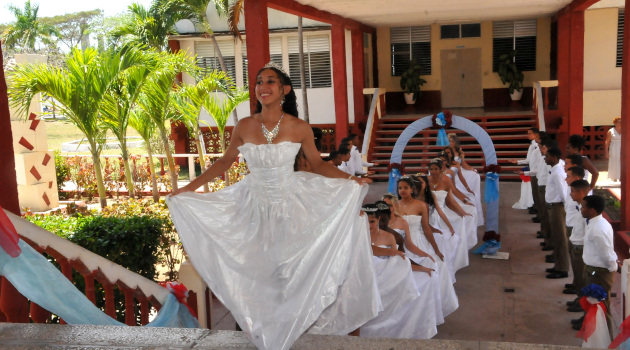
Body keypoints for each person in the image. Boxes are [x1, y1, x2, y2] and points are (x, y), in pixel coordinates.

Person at [167, 64, 377, 350]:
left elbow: (316, 164)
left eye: (270, 82)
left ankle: (285, 335)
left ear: (284, 90)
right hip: (251, 209)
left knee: (289, 276)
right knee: (256, 276)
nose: (262, 86)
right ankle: (258, 335)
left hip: (292, 207)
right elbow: (224, 162)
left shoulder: (299, 127)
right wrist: (187, 189)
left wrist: (352, 179)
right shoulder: (244, 125)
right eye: (258, 82)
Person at [360, 204, 438, 339]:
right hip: (365, 275)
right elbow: (369, 250)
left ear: (378, 219)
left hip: (385, 275)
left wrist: (421, 268)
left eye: (372, 221)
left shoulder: (389, 237)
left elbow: (401, 258)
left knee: (421, 276)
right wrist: (391, 252)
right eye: (365, 221)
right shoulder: (358, 236)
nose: (368, 225)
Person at [580, 195, 618, 339]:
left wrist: (611, 268)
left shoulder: (598, 230)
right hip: (594, 270)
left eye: (584, 207)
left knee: (601, 308)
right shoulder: (595, 222)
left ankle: (606, 341)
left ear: (592, 210)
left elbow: (606, 254)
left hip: (599, 273)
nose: (581, 209)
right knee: (593, 307)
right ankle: (595, 339)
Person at [566, 179, 590, 325]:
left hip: (582, 249)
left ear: (581, 193)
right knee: (578, 278)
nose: (570, 194)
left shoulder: (587, 210)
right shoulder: (580, 206)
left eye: (573, 191)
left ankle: (585, 312)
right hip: (576, 245)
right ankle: (580, 299)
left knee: (583, 280)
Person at [544, 147, 570, 279]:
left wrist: (565, 208)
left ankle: (563, 268)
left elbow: (563, 193)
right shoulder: (554, 170)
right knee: (556, 237)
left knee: (561, 239)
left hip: (558, 207)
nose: (545, 158)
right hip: (553, 207)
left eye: (547, 156)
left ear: (554, 158)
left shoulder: (557, 172)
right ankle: (558, 265)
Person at [510, 128, 540, 210]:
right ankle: (535, 205)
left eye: (530, 133)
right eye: (528, 133)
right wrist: (517, 162)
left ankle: (537, 206)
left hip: (536, 170)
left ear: (536, 135)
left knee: (536, 189)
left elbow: (532, 160)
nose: (528, 135)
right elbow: (529, 159)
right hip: (532, 169)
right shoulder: (532, 145)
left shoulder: (536, 146)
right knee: (533, 189)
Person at [605, 117, 621, 182]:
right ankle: (614, 177)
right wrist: (606, 152)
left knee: (622, 162)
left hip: (622, 147)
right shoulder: (611, 131)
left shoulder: (625, 130)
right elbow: (607, 142)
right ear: (615, 123)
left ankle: (621, 177)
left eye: (621, 122)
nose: (621, 123)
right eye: (619, 122)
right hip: (614, 147)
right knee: (614, 162)